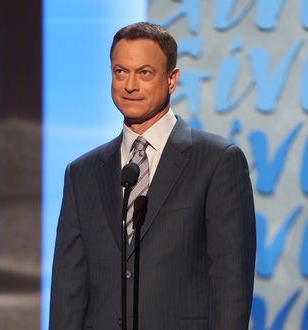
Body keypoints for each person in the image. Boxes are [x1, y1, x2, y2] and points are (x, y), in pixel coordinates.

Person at [49, 22, 256, 330]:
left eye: (144, 72)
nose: (129, 85)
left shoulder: (217, 162)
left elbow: (231, 283)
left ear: (172, 80)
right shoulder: (82, 173)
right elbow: (69, 290)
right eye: (120, 72)